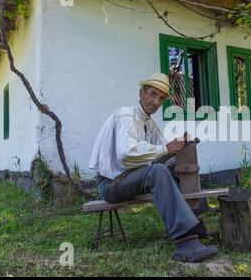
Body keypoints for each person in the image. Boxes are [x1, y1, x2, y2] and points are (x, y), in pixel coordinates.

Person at [89, 73, 218, 262]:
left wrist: (181, 144)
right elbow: (126, 154)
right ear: (141, 93)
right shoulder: (127, 116)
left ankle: (195, 225)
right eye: (152, 94)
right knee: (157, 172)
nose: (156, 101)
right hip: (111, 184)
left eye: (161, 98)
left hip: (129, 178)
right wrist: (165, 148)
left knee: (177, 168)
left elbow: (162, 154)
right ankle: (186, 243)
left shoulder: (150, 124)